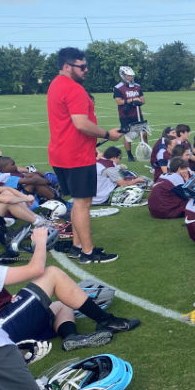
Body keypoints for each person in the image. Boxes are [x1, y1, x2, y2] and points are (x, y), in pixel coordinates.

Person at [0, 218, 141, 354]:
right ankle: (106, 321)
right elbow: (36, 270)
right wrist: (40, 242)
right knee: (53, 274)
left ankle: (71, 337)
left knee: (61, 305)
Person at [47, 47, 122, 264]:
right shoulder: (74, 89)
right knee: (83, 203)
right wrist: (108, 134)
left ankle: (77, 246)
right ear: (67, 66)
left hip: (61, 153)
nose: (86, 70)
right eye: (82, 66)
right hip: (76, 156)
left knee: (78, 201)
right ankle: (88, 253)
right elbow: (81, 123)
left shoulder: (55, 84)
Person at [113, 66, 145, 162]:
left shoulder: (137, 86)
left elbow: (143, 100)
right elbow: (118, 101)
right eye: (128, 76)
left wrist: (139, 102)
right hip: (125, 116)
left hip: (137, 114)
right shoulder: (118, 87)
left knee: (144, 133)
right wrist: (131, 100)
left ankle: (145, 151)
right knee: (127, 135)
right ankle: (129, 155)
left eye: (132, 76)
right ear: (123, 75)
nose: (131, 78)